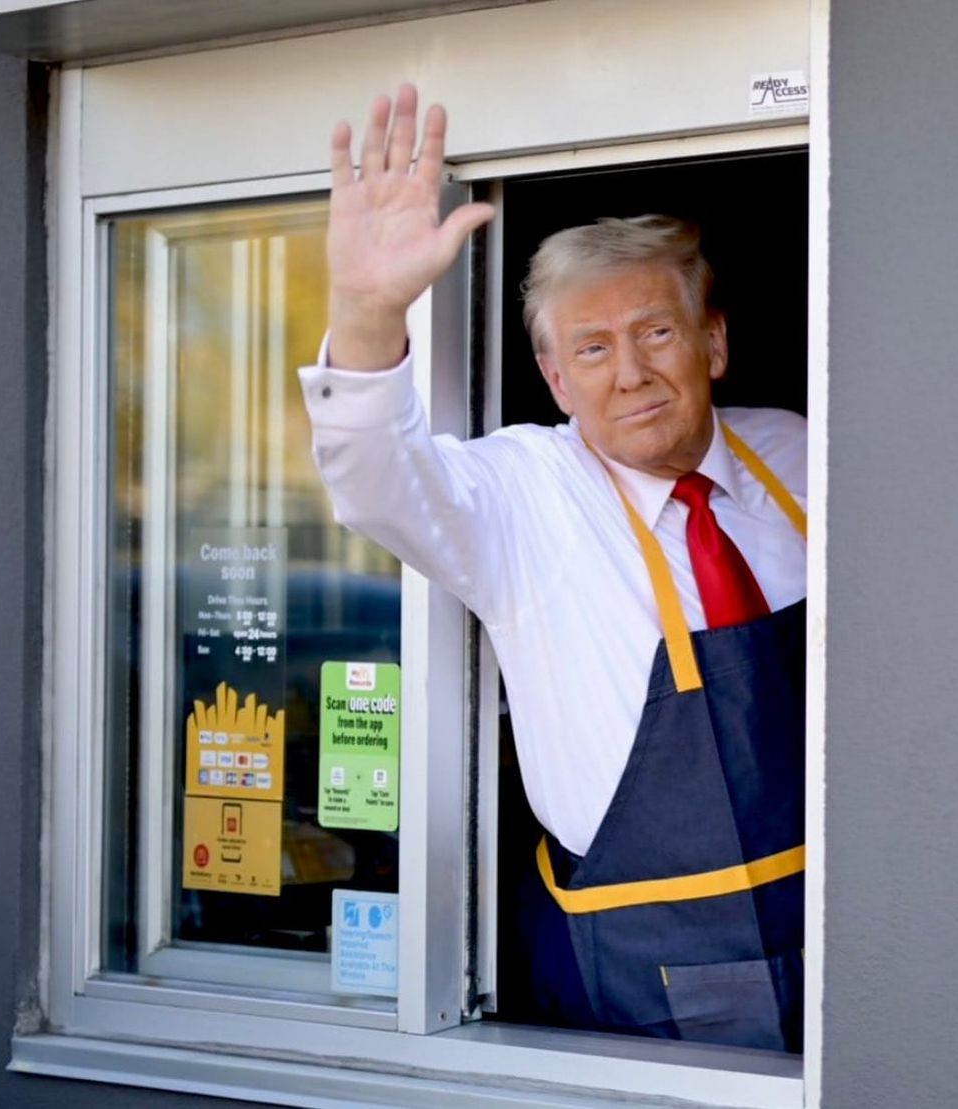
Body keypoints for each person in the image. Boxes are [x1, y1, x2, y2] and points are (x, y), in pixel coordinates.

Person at [299, 85, 807, 1052]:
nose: (631, 372)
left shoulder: (797, 455)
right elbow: (375, 480)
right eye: (593, 348)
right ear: (557, 380)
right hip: (657, 967)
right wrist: (367, 310)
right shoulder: (524, 491)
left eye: (656, 332)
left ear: (713, 341)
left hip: (848, 925)